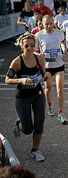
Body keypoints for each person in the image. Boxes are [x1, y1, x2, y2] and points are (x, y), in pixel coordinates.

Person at [5, 33, 51, 162]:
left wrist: (46, 75)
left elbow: (43, 74)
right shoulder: (17, 61)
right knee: (27, 129)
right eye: (27, 46)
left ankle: (35, 150)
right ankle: (18, 124)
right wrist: (20, 80)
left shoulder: (39, 58)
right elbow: (7, 79)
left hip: (37, 94)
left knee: (39, 125)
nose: (30, 48)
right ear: (21, 46)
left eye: (32, 45)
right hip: (22, 97)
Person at [35, 15, 68, 124]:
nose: (49, 26)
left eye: (51, 23)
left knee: (60, 88)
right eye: (46, 24)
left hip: (59, 65)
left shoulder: (59, 33)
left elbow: (63, 43)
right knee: (48, 88)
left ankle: (60, 112)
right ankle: (49, 105)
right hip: (47, 66)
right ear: (42, 24)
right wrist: (39, 55)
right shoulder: (38, 35)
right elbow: (34, 50)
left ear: (53, 23)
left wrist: (64, 52)